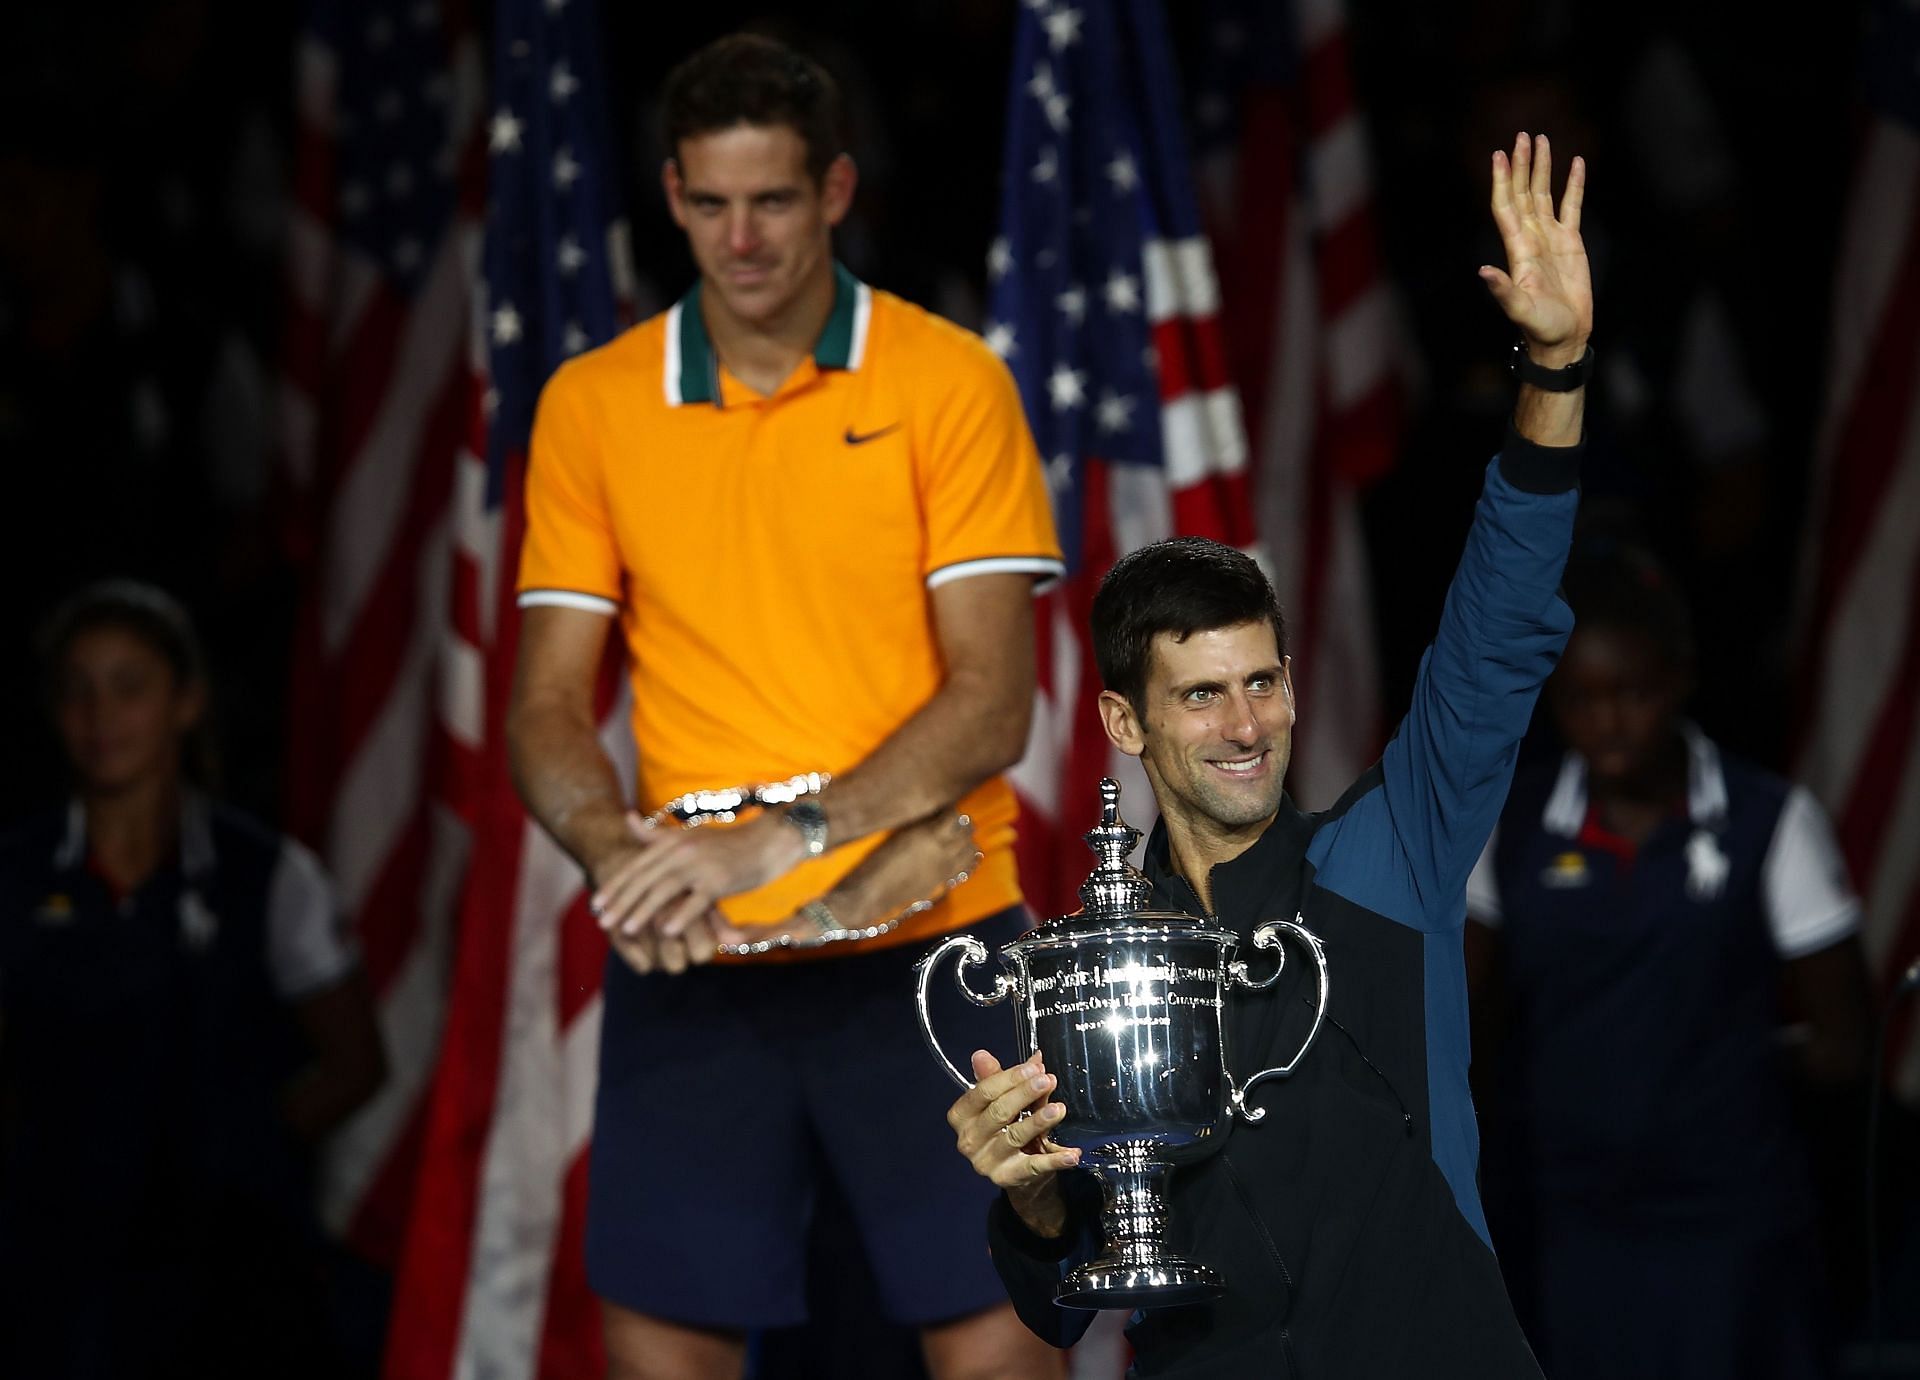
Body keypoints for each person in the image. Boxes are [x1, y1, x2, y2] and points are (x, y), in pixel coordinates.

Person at [946, 132, 1589, 1378]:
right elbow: (1065, 1299)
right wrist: (1025, 1197)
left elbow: (1498, 624)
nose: (1246, 727)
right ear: (1125, 723)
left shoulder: (1388, 856)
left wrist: (1553, 366)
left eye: (1263, 684)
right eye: (1200, 697)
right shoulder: (1089, 962)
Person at [505, 32, 1066, 1380]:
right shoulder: (592, 404)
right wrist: (615, 859)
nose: (740, 238)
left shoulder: (950, 380)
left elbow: (996, 705)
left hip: (941, 940)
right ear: (671, 196)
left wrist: (786, 835)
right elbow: (544, 707)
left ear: (835, 191)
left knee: (1005, 1332)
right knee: (655, 1341)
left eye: (770, 200)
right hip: (699, 964)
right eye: (708, 203)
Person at [1463, 541, 1870, 1380]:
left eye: (1634, 694)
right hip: (1564, 1214)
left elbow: (1843, 1044)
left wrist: (1722, 1071)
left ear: (1682, 680)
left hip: (1729, 1217)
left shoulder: (1772, 821)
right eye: (1582, 699)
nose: (1610, 721)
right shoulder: (1515, 824)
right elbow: (1469, 1028)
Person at [0, 580, 386, 1379]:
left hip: (226, 1274)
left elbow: (356, 1062)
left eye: (129, 687)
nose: (101, 717)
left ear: (186, 702)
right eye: (78, 691)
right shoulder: (15, 871)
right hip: (49, 1261)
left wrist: (238, 1152)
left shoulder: (269, 874)